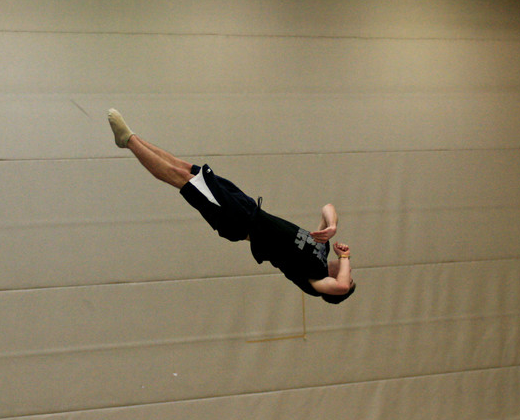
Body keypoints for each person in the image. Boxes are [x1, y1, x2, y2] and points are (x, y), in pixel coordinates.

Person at [108, 109, 356, 304]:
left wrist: (344, 256)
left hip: (239, 222)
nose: (348, 271)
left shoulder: (314, 280)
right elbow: (328, 207)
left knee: (181, 178)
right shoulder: (320, 250)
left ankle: (129, 141)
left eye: (349, 274)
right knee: (186, 168)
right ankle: (131, 137)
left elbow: (342, 286)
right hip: (249, 207)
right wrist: (332, 225)